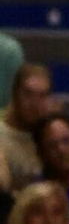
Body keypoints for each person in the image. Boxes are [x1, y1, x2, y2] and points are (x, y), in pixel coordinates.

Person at [0, 60, 54, 189]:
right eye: (28, 94)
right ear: (15, 94)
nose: (34, 103)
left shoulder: (52, 136)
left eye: (42, 96)